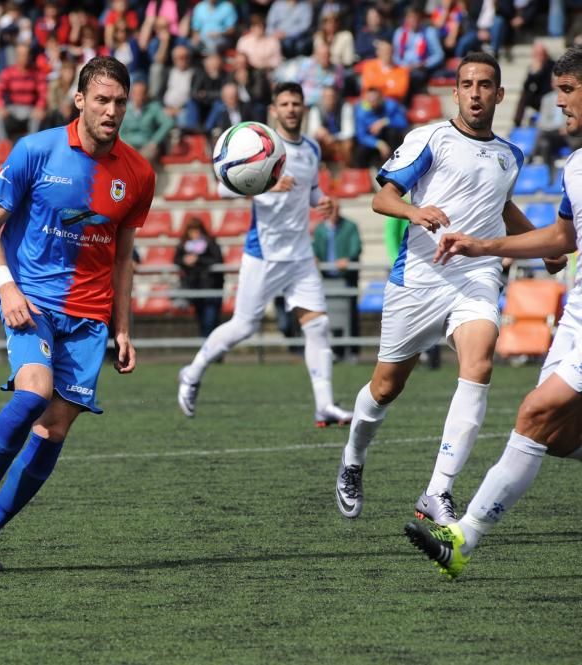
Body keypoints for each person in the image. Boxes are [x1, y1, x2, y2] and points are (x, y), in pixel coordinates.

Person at [0, 56, 154, 573]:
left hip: (89, 319)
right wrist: (6, 286)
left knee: (54, 430)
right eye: (101, 99)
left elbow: (124, 257)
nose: (111, 110)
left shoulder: (139, 173)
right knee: (33, 392)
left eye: (120, 101)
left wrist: (123, 327)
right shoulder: (36, 150)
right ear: (79, 100)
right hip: (30, 299)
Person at [333, 52, 568, 525]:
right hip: (419, 278)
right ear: (455, 92)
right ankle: (353, 458)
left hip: (475, 275)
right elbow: (382, 197)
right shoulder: (429, 138)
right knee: (384, 388)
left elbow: (500, 206)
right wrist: (414, 212)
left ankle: (437, 491)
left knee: (480, 361)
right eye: (467, 84)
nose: (476, 92)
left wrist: (538, 245)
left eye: (485, 84)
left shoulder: (510, 154)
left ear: (499, 94)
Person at [405, 46, 582, 579]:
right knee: (561, 437)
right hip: (576, 314)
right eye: (559, 93)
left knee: (534, 414)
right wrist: (481, 246)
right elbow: (562, 238)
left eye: (570, 92)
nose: (560, 105)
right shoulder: (574, 166)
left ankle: (462, 538)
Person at [177, 82, 352, 427]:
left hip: (300, 255)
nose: (290, 109)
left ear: (303, 108)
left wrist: (323, 202)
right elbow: (222, 186)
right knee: (243, 326)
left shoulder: (312, 149)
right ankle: (192, 371)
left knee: (317, 325)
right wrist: (268, 183)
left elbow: (312, 190)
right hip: (264, 254)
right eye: (284, 103)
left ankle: (324, 405)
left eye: (296, 103)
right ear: (273, 110)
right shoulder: (259, 143)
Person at [311, 200, 362, 359]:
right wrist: (316, 258)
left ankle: (352, 351)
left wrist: (347, 259)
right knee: (329, 315)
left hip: (346, 277)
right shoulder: (320, 229)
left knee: (349, 313)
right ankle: (334, 350)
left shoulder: (349, 226)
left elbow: (356, 248)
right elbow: (315, 249)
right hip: (327, 278)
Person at [174, 215, 223, 338]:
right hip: (196, 289)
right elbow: (176, 259)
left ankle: (212, 352)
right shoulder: (185, 245)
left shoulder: (210, 243)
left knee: (210, 322)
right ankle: (208, 352)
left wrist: (198, 259)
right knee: (203, 322)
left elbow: (218, 260)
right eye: (192, 230)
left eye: (197, 230)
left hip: (211, 289)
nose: (194, 233)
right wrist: (185, 260)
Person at [352, 86, 409, 168]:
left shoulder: (391, 105)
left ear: (381, 98)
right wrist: (379, 144)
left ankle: (395, 166)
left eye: (375, 100)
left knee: (393, 132)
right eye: (370, 100)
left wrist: (385, 121)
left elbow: (403, 122)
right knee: (360, 151)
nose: (373, 103)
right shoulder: (361, 111)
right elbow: (362, 136)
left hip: (389, 139)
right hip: (373, 141)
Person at [119, 78, 173, 161]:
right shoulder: (124, 109)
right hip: (129, 145)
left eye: (141, 93)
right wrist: (125, 143)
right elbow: (119, 131)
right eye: (135, 93)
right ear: (131, 94)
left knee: (144, 158)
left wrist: (155, 141)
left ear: (146, 95)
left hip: (147, 145)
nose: (138, 96)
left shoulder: (154, 107)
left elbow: (168, 123)